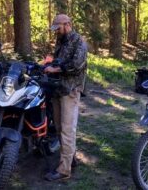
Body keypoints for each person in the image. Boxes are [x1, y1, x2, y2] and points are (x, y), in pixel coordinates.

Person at [44, 14, 87, 182]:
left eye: (58, 28)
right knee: (61, 127)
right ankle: (71, 159)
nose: (56, 32)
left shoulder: (79, 42)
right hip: (58, 89)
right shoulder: (61, 40)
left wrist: (56, 70)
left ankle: (64, 171)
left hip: (70, 90)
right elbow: (59, 60)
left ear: (67, 24)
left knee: (68, 129)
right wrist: (49, 63)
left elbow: (77, 65)